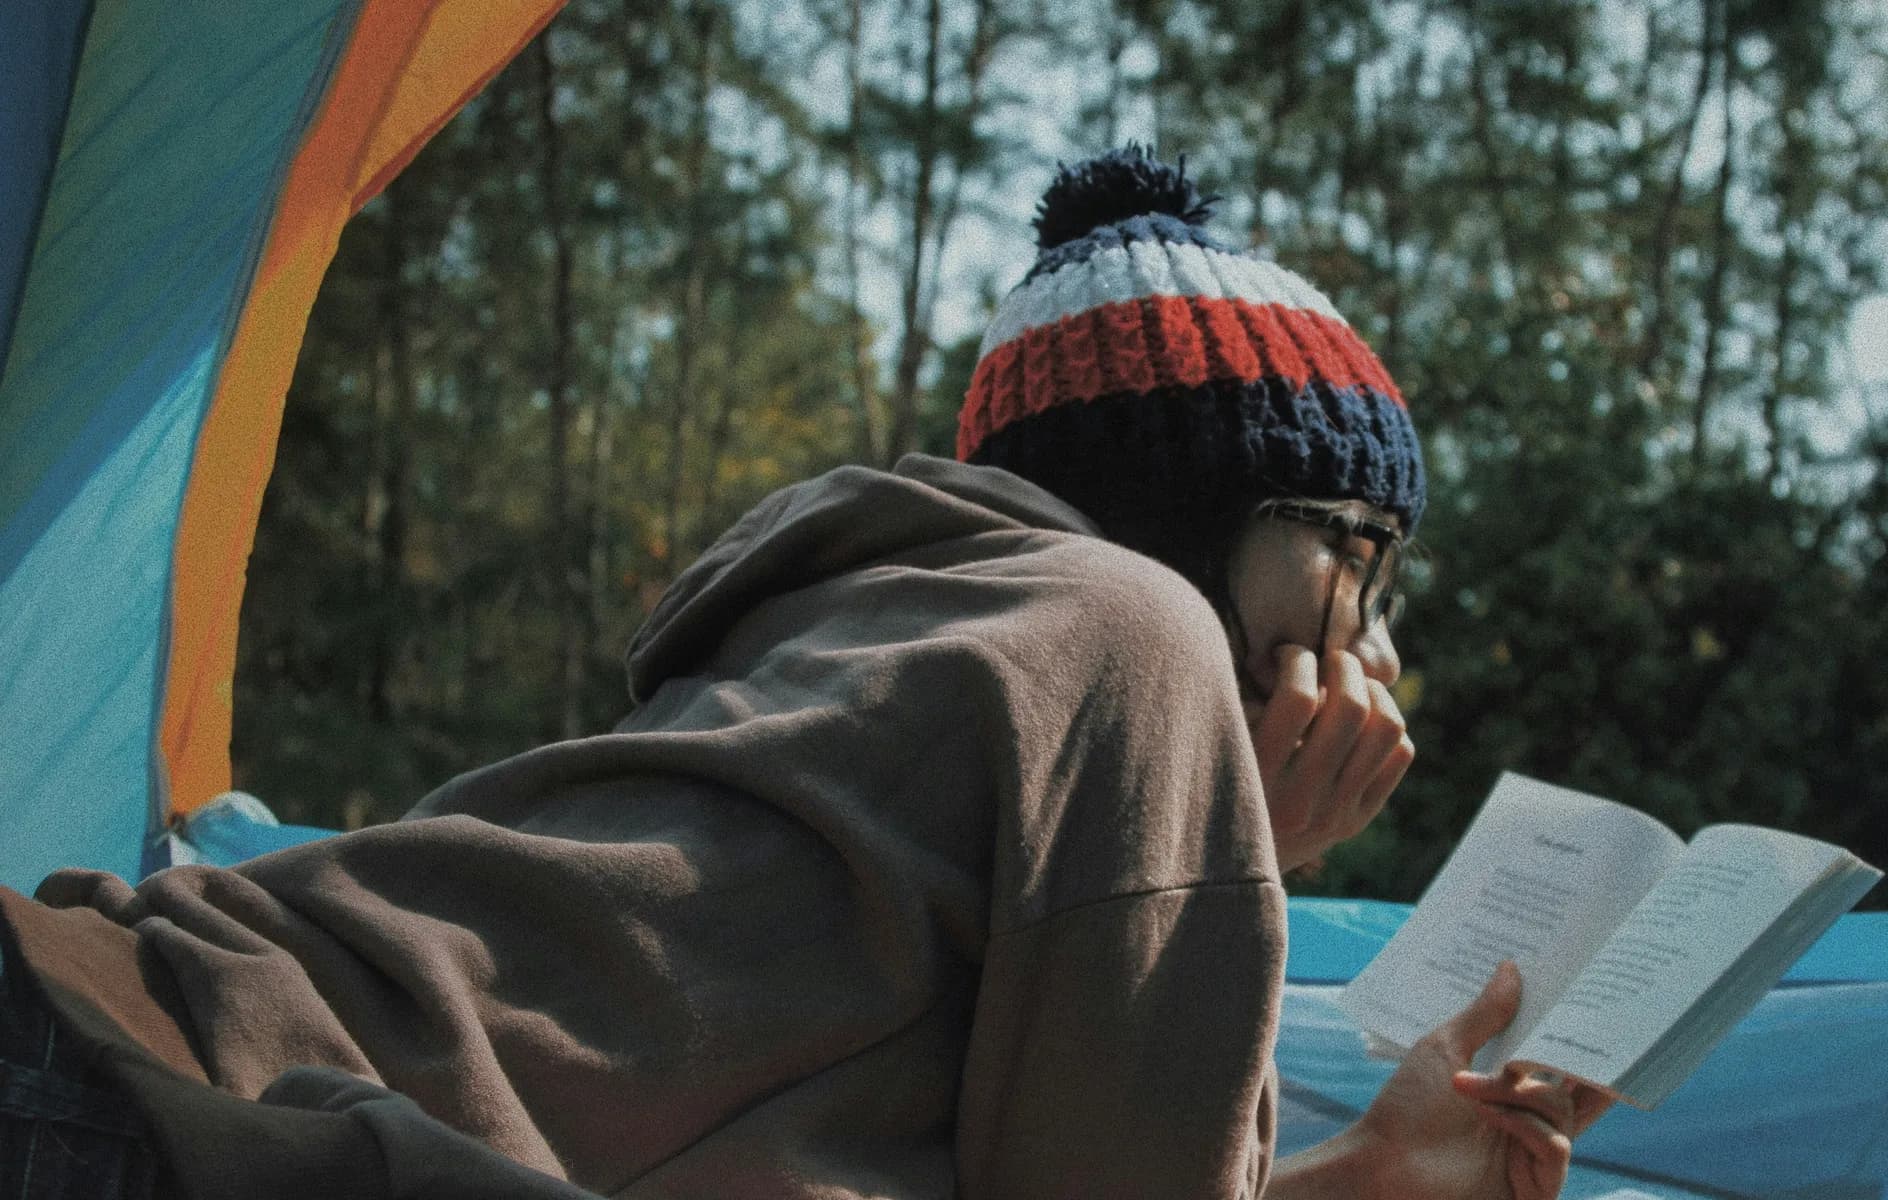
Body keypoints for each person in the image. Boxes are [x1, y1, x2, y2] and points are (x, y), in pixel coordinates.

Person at [0, 147, 1609, 1199]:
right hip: (141, 1108)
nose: (1379, 644)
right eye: (1356, 555)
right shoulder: (1134, 631)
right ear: (1200, 516)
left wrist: (1373, 1166)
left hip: (108, 1049)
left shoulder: (900, 638)